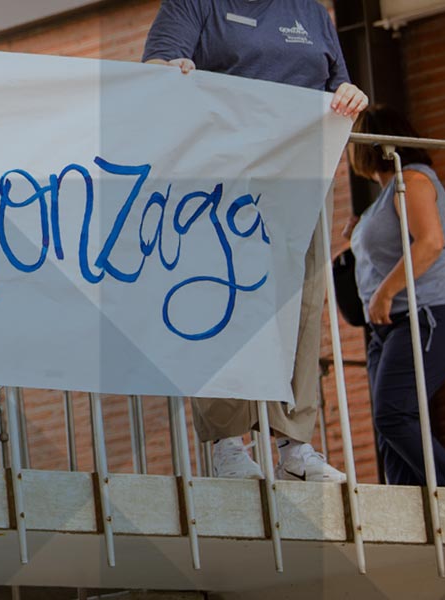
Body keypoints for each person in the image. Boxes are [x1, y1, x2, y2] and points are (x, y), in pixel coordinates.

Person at [143, 0, 368, 483]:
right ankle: (227, 443)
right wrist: (171, 71)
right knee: (219, 296)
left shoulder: (310, 12)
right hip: (221, 175)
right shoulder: (196, 3)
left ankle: (294, 444)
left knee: (301, 300)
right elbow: (158, 67)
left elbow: (337, 87)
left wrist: (350, 94)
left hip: (302, 174)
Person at [349, 106, 445, 488]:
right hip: (390, 327)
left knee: (395, 415)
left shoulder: (412, 180)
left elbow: (430, 243)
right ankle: (407, 511)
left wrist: (384, 294)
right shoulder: (385, 195)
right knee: (389, 430)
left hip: (427, 313)